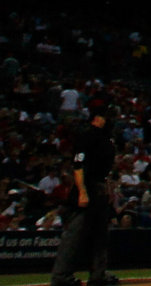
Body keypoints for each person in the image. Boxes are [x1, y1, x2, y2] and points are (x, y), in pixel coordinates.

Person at [49, 104, 120, 286]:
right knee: (74, 236)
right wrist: (82, 192)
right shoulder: (87, 135)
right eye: (106, 116)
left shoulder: (106, 138)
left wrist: (108, 188)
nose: (110, 120)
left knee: (100, 236)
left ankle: (98, 274)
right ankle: (61, 277)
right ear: (96, 117)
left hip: (100, 189)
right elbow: (78, 165)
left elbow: (104, 169)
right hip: (87, 189)